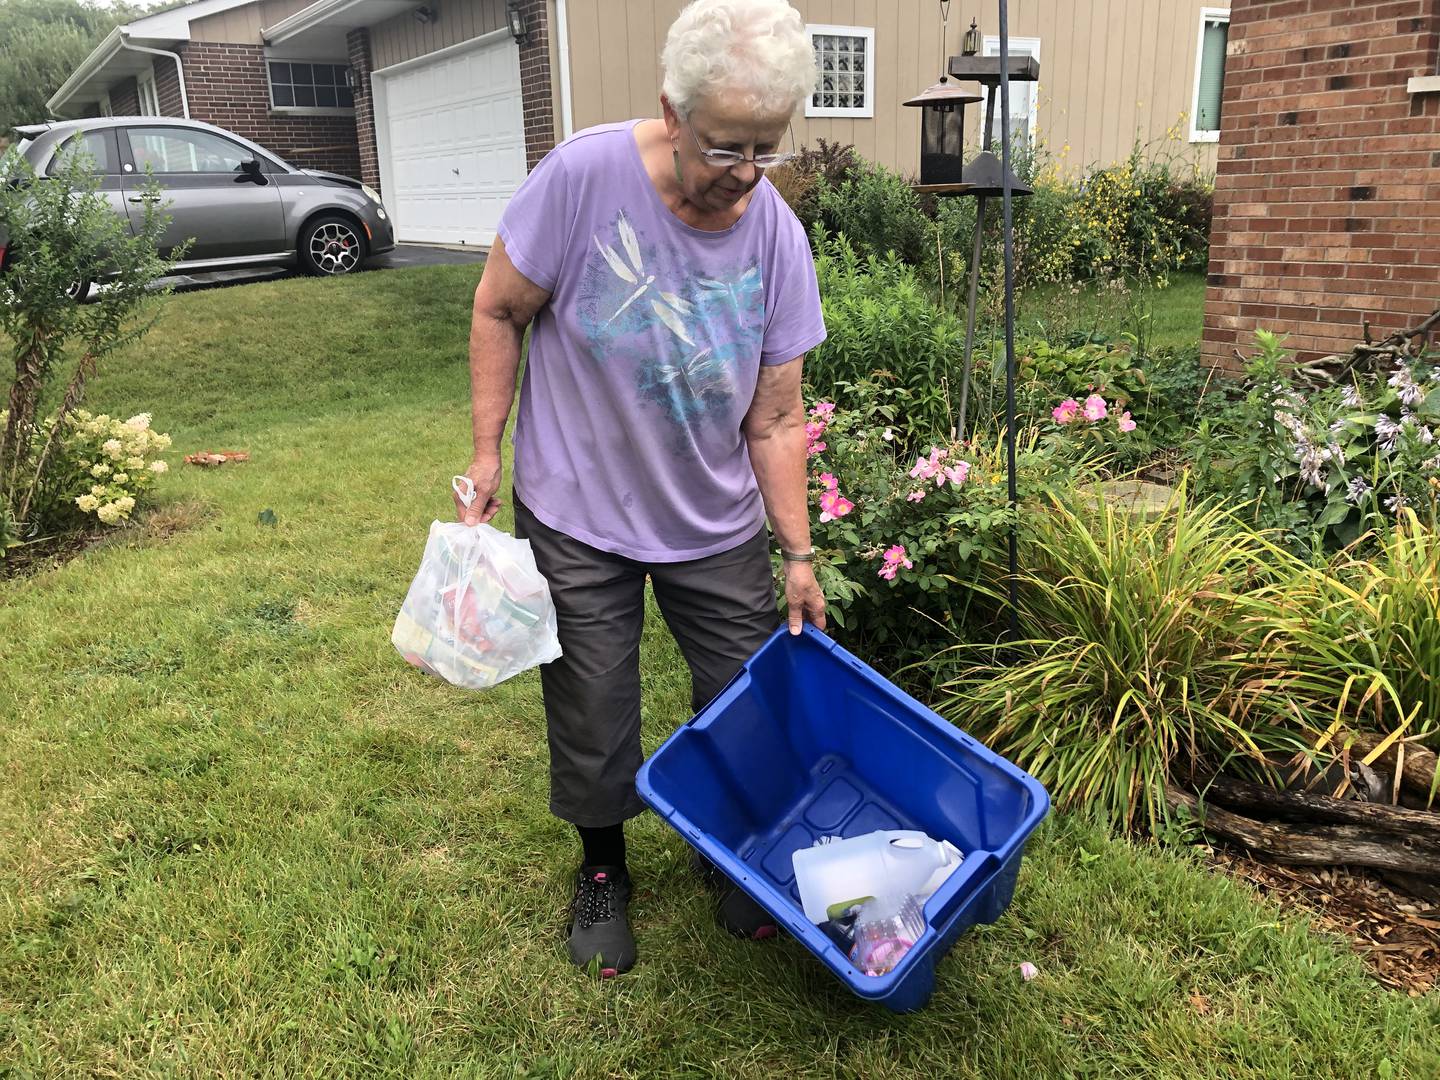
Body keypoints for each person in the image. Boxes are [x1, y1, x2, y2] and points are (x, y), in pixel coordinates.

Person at [455, 0, 826, 977]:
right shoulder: (583, 177)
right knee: (592, 701)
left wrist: (797, 551)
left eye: (765, 149)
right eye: (722, 147)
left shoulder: (776, 236)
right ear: (671, 109)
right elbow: (499, 308)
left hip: (712, 517)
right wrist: (488, 453)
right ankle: (605, 867)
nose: (744, 175)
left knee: (743, 700)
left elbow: (778, 416)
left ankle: (722, 850)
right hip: (579, 506)